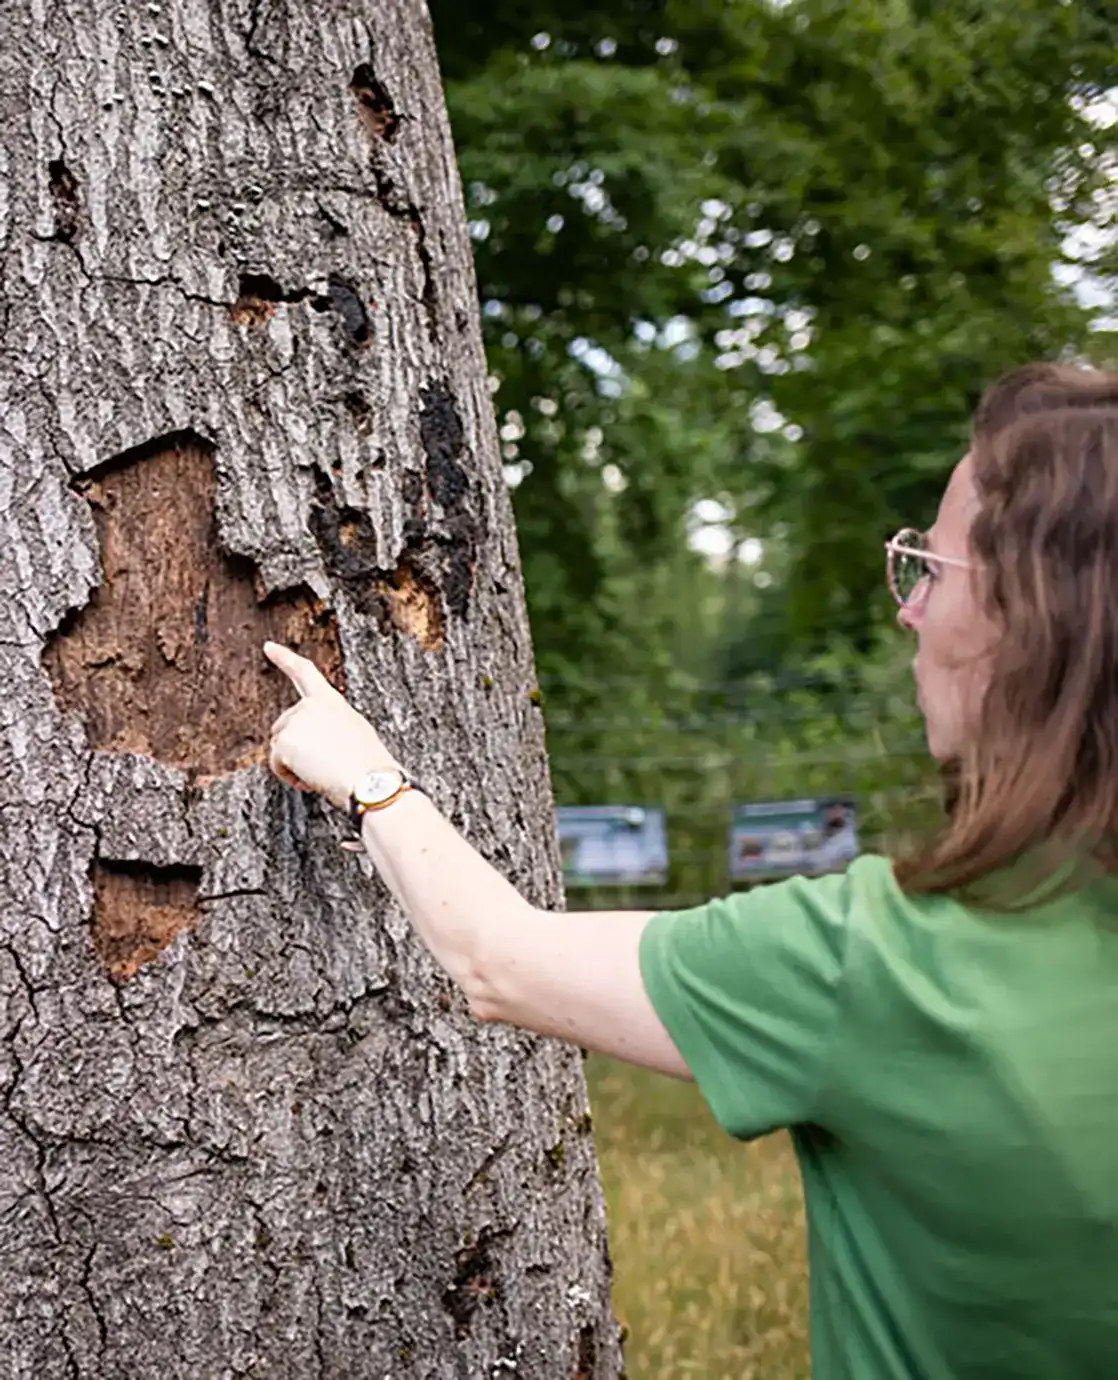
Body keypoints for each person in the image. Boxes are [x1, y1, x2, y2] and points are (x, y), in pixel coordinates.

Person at [264, 361, 1118, 1380]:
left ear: (1029, 624)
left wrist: (366, 776)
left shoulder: (882, 964)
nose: (908, 611)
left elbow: (499, 959)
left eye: (928, 568)